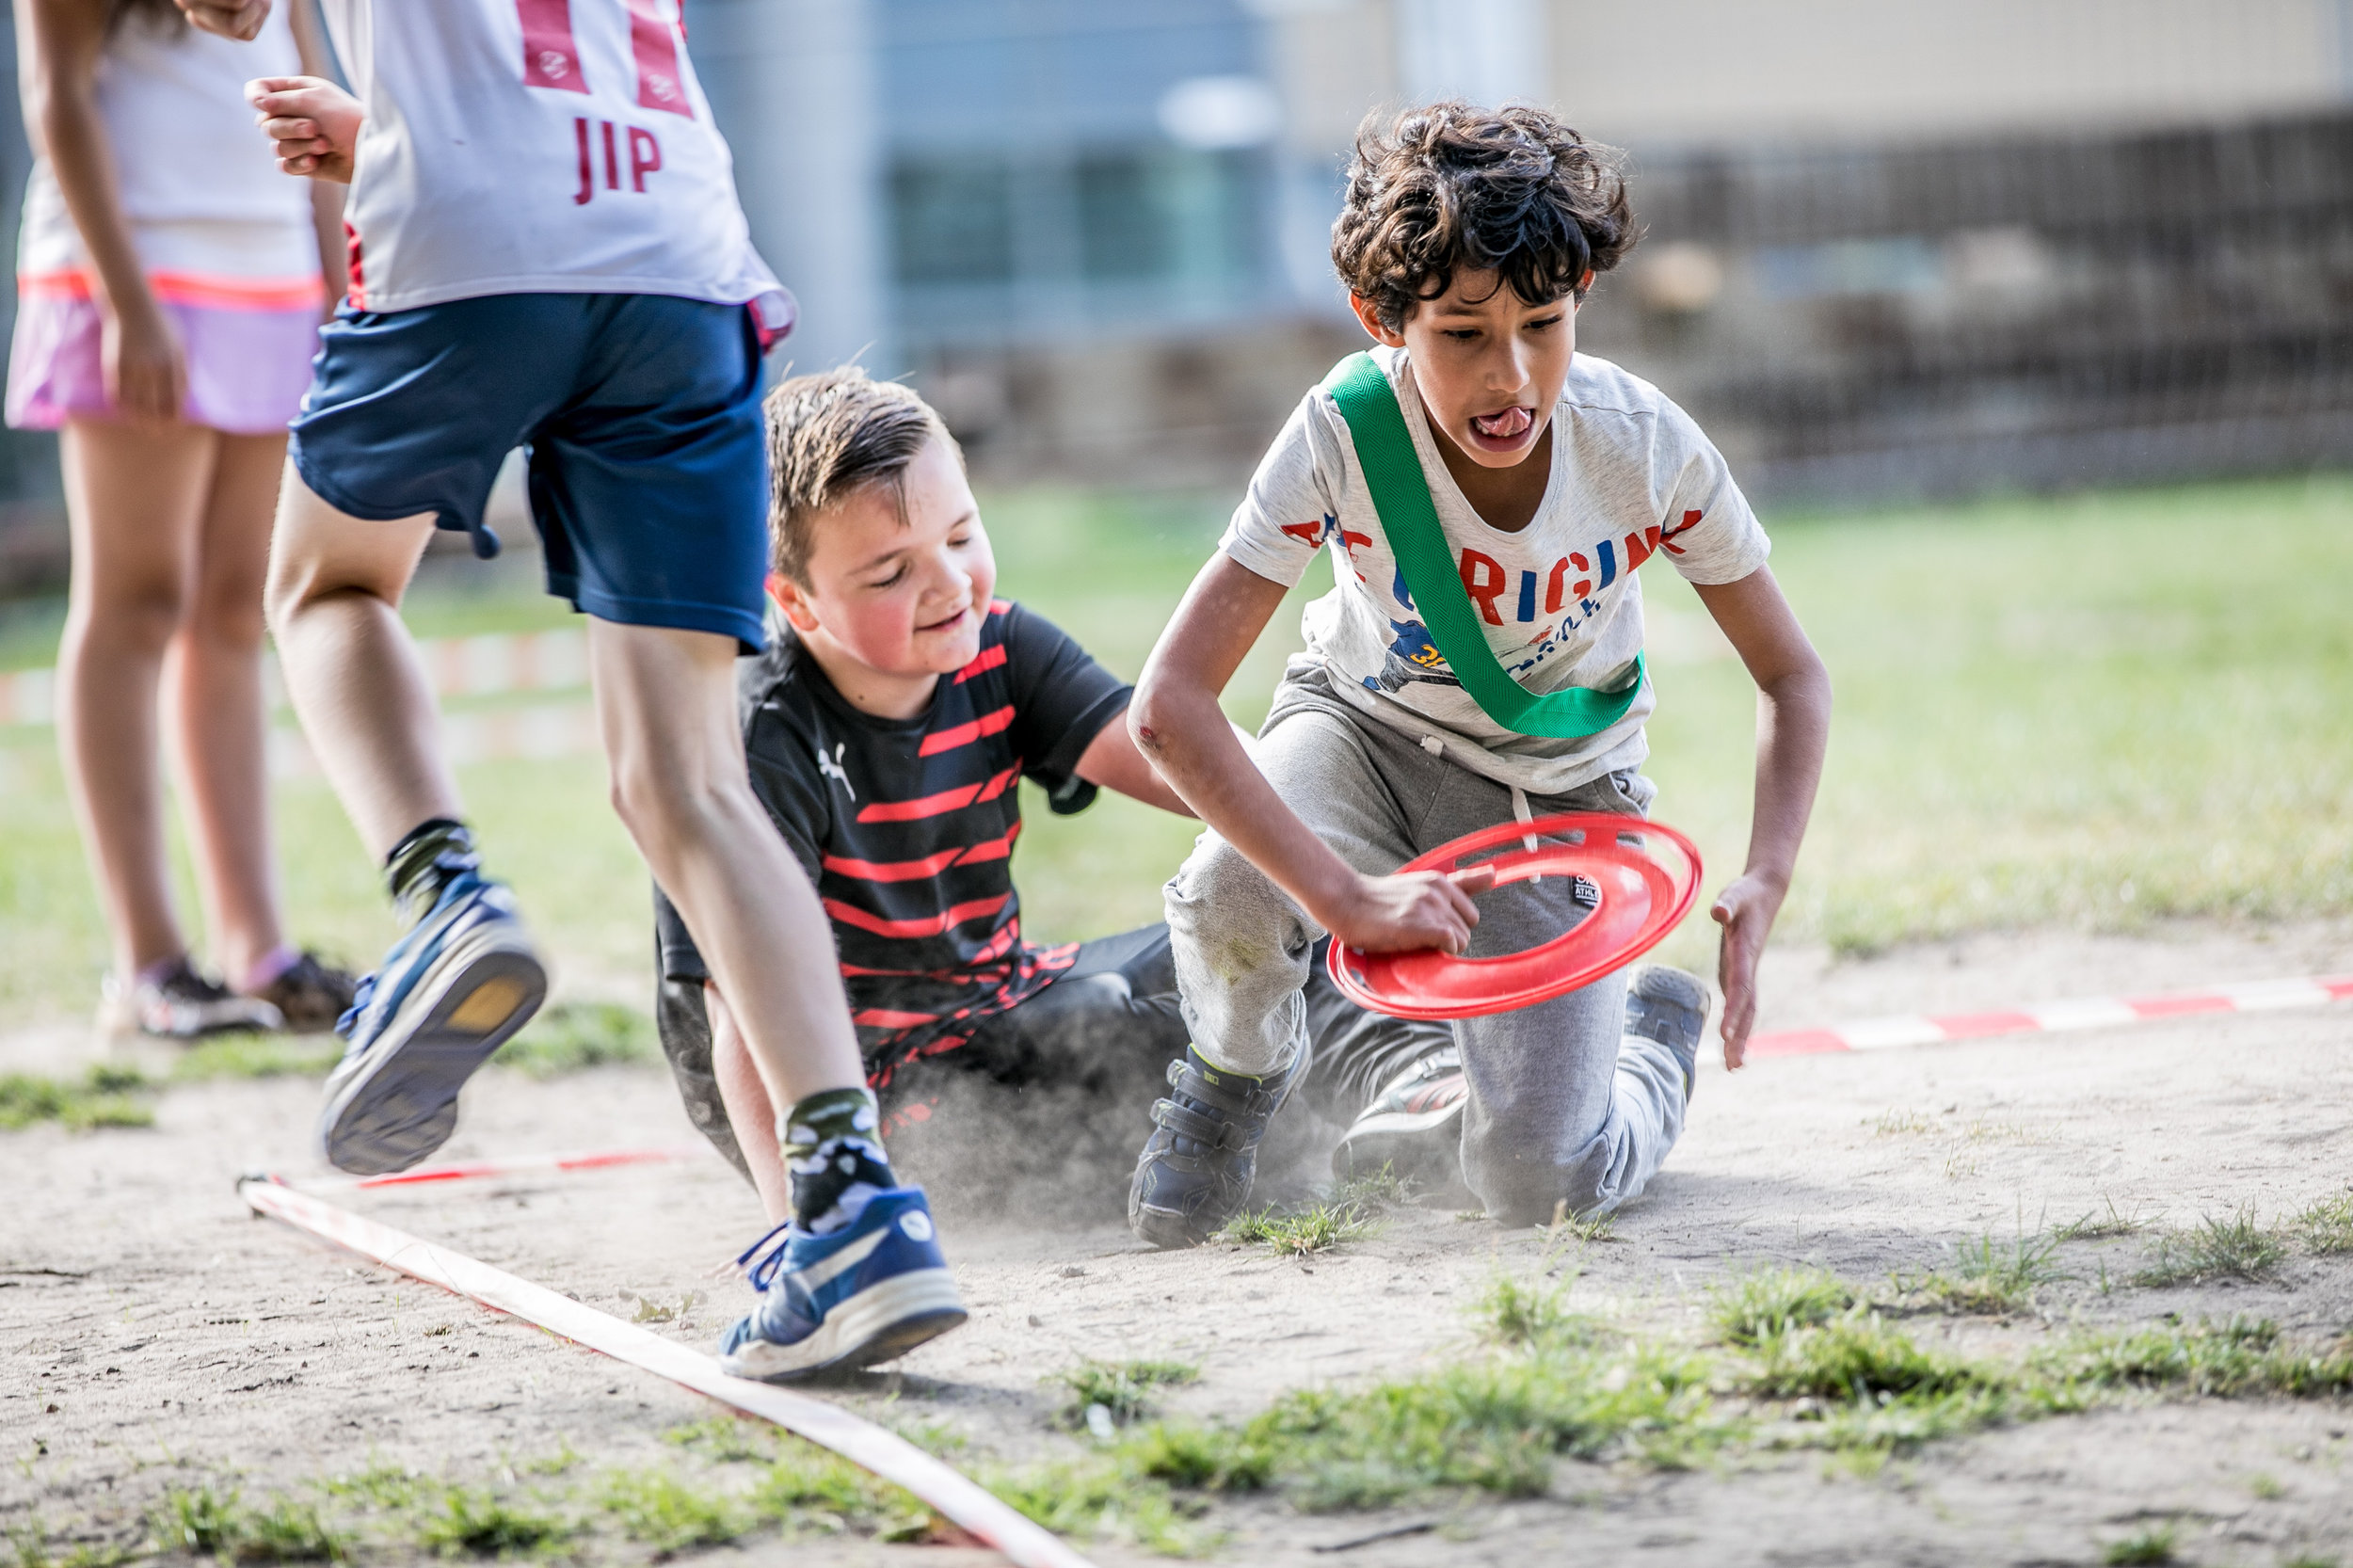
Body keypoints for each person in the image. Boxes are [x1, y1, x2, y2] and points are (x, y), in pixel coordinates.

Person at [180, 0, 960, 1382]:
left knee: (328, 587)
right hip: (679, 239)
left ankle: (442, 896)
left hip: (479, 234)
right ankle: (852, 1199)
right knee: (693, 779)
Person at [1123, 101, 1833, 1245]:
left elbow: (1791, 675)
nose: (1510, 377)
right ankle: (1229, 1081)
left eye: (1540, 324)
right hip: (1360, 734)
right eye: (1461, 334)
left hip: (1560, 797)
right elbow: (1167, 709)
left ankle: (1646, 1046)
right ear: (1381, 319)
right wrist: (1344, 899)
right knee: (1227, 890)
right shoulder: (1340, 434)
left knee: (1537, 1182)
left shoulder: (1640, 445)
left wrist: (1768, 871)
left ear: (1578, 301)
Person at [650, 367, 1455, 1226]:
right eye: (890, 574)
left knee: (1265, 940)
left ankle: (1418, 1083)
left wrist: (1360, 861)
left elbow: (1199, 769)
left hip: (994, 994)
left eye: (961, 537)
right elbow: (737, 1001)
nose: (948, 584)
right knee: (1120, 1031)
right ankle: (1300, 1143)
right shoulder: (755, 739)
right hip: (855, 1084)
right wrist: (804, 1222)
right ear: (797, 603)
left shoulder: (1000, 646)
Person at [10, 0, 358, 1037]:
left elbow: (309, 80)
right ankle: (148, 963)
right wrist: (125, 303)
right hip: (135, 281)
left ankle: (259, 952)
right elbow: (55, 97)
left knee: (231, 608)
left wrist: (340, 284)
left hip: (271, 278)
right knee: (136, 599)